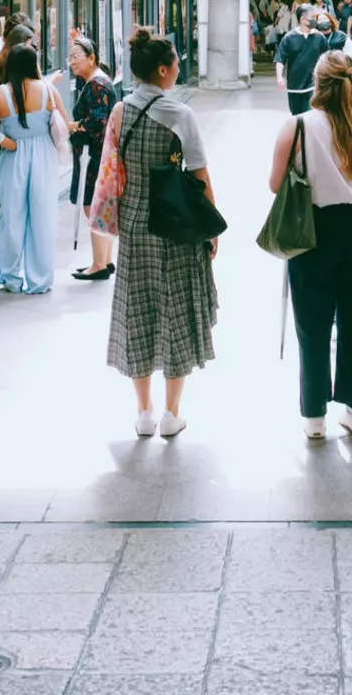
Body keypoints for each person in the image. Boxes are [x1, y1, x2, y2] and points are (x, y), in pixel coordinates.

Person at [270, 52, 352, 440]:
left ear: (316, 82)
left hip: (314, 230)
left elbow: (275, 184)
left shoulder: (297, 127)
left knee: (313, 323)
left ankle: (314, 417)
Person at [108, 29, 219, 438]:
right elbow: (200, 175)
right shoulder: (178, 114)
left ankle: (143, 412)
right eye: (174, 63)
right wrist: (211, 228)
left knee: (138, 309)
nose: (177, 69)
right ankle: (172, 413)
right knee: (175, 312)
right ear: (162, 69)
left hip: (134, 223)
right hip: (175, 225)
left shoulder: (121, 110)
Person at [0, 43, 66, 295]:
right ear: (34, 64)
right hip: (44, 155)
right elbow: (65, 123)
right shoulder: (48, 90)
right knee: (43, 217)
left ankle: (10, 277)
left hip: (12, 157)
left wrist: (6, 144)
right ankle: (40, 280)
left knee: (12, 217)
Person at [68, 36, 119, 281]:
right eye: (70, 57)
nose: (71, 62)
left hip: (95, 156)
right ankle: (105, 260)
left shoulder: (96, 85)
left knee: (93, 206)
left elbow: (98, 123)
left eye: (75, 56)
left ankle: (99, 263)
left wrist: (75, 125)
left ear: (91, 58)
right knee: (99, 207)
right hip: (100, 155)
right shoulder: (98, 81)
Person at [275, 5, 324, 114]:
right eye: (313, 18)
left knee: (309, 115)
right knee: (297, 116)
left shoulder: (319, 37)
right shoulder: (289, 38)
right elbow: (280, 59)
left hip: (312, 85)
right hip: (294, 85)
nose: (315, 21)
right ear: (302, 19)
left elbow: (327, 58)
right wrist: (279, 77)